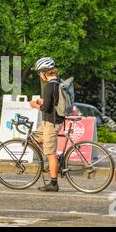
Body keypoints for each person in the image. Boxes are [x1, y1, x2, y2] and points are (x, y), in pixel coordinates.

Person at [30, 57, 65, 192]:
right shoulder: (57, 83)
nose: (39, 75)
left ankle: (54, 183)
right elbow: (52, 102)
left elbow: (47, 108)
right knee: (34, 138)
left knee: (50, 153)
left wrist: (35, 105)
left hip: (51, 122)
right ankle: (52, 164)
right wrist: (42, 101)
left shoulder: (48, 86)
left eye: (39, 72)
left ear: (44, 72)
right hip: (52, 121)